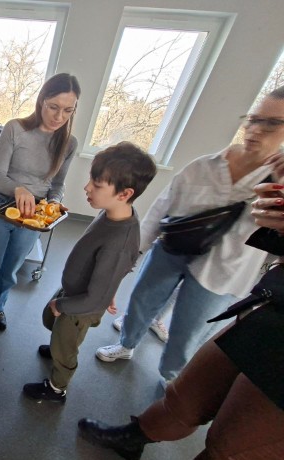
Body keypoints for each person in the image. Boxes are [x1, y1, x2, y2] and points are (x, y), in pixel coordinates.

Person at [77, 170, 284, 460]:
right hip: (272, 314)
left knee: (228, 455)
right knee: (186, 395)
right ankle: (133, 438)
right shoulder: (214, 166)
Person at [94, 86, 284, 383]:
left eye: (271, 123)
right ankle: (126, 344)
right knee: (143, 300)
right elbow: (161, 208)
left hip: (223, 271)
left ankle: (170, 380)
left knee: (188, 331)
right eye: (254, 119)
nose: (257, 129)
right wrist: (131, 255)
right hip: (172, 250)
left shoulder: (280, 182)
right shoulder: (204, 166)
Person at [22, 142, 157, 402]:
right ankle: (57, 345)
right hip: (78, 290)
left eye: (96, 185)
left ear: (124, 193)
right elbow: (116, 269)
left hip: (83, 305)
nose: (87, 188)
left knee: (66, 345)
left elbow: (99, 293)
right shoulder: (112, 212)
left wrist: (64, 304)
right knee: (53, 324)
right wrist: (110, 287)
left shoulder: (120, 241)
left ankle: (57, 387)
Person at [0, 73, 81, 350]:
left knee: (10, 271)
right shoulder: (15, 128)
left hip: (33, 217)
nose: (59, 116)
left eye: (68, 110)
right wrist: (18, 189)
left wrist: (54, 202)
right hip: (1, 207)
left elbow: (58, 184)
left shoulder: (69, 142)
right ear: (41, 101)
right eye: (53, 107)